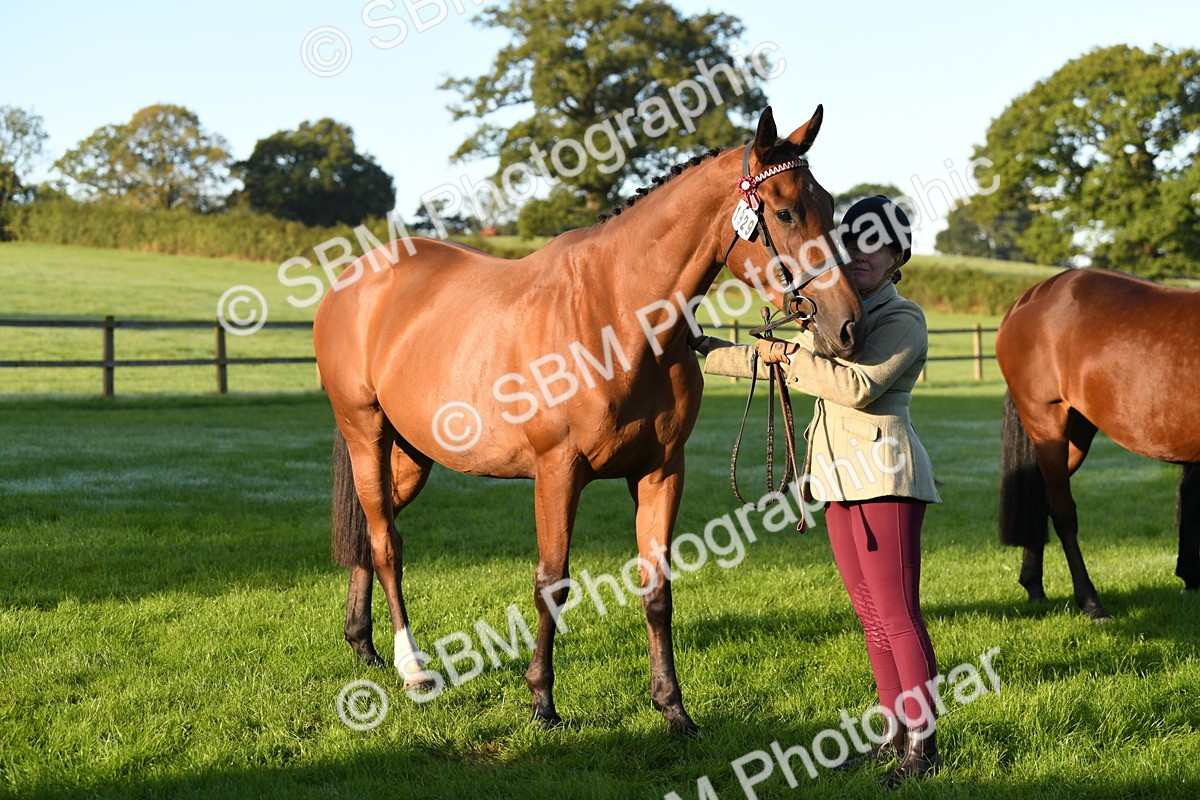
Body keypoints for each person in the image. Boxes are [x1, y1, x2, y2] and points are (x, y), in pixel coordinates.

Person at [692, 196, 942, 788]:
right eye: (851, 242)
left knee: (898, 615)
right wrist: (701, 347)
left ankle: (923, 745)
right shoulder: (832, 316)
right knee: (871, 618)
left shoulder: (903, 319)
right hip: (835, 480)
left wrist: (787, 353)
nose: (860, 255)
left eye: (876, 245)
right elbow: (773, 360)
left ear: (898, 258)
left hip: (884, 478)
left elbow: (855, 387)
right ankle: (892, 733)